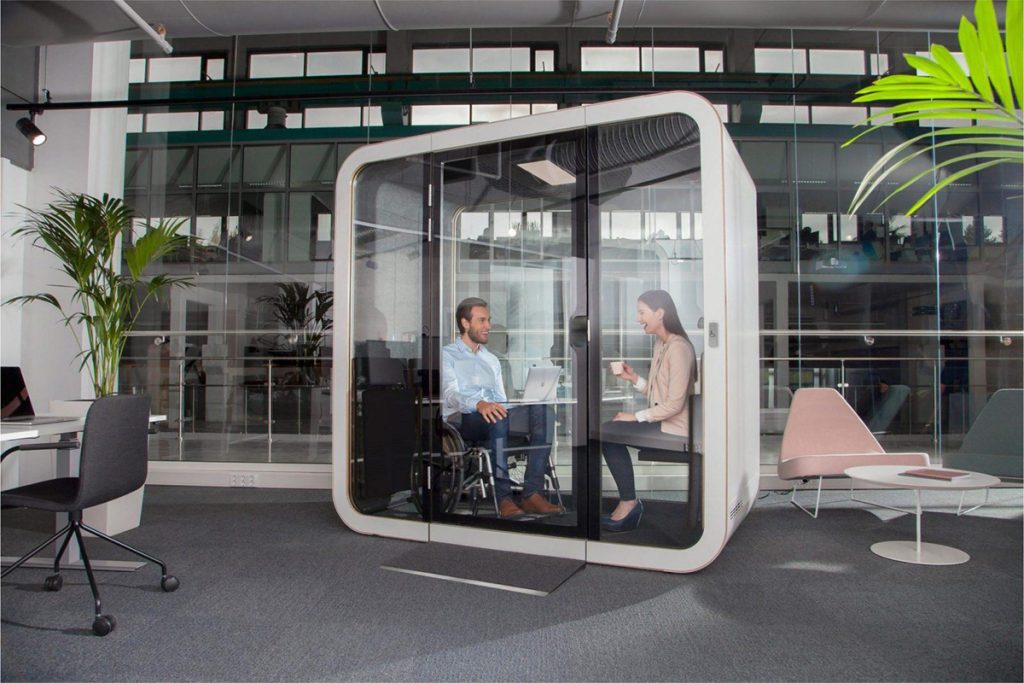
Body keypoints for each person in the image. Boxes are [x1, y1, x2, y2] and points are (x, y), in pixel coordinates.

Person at [441, 297, 562, 518]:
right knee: (497, 415)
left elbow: (500, 399)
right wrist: (479, 404)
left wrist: (521, 404)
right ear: (465, 323)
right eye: (482, 320)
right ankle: (503, 496)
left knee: (544, 411)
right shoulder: (448, 355)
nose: (488, 326)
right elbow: (450, 394)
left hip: (495, 415)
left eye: (488, 320)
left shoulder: (491, 360)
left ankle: (532, 492)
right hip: (462, 417)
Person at [601, 289, 697, 532]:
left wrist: (634, 417)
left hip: (676, 430)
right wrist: (633, 379)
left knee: (608, 433)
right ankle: (628, 502)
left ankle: (629, 503)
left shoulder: (678, 348)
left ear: (660, 313)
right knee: (608, 431)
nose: (638, 318)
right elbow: (659, 396)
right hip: (664, 423)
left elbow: (674, 404)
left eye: (642, 312)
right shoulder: (662, 345)